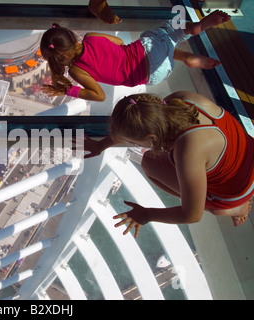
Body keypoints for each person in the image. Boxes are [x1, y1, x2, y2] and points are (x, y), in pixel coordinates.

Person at [77, 91, 254, 237]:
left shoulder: (188, 151)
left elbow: (192, 215)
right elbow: (137, 125)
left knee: (149, 163)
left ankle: (235, 208)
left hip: (236, 193)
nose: (137, 146)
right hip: (249, 158)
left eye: (136, 143)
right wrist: (101, 145)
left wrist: (146, 215)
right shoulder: (180, 100)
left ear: (151, 138)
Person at [40, 10, 230, 102]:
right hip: (149, 49)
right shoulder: (91, 37)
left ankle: (185, 57)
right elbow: (121, 44)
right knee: (168, 29)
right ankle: (192, 29)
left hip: (153, 75)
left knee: (161, 45)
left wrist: (68, 90)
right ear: (70, 36)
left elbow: (99, 96)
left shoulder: (77, 71)